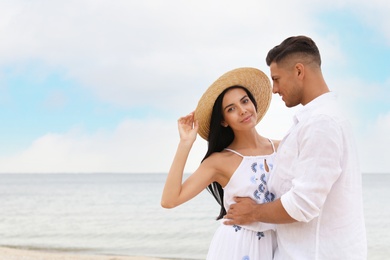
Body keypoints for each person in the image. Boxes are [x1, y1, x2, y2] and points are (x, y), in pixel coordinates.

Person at [224, 36, 367, 259]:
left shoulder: (321, 123)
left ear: (299, 71)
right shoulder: (316, 119)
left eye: (277, 79)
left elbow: (303, 204)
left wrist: (252, 213)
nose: (274, 89)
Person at [161, 67, 280, 259]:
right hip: (237, 248)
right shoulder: (219, 162)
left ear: (254, 103)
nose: (242, 111)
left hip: (279, 245)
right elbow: (169, 200)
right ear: (224, 121)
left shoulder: (283, 148)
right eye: (231, 109)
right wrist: (185, 144)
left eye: (245, 101)